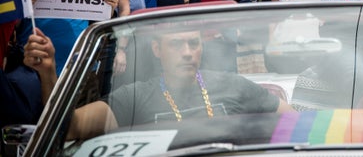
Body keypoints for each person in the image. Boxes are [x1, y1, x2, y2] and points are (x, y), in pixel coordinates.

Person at [23, 27, 294, 140]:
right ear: (157, 50)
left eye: (194, 43)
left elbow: (292, 120)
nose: (188, 52)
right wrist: (48, 74)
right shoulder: (135, 97)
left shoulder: (232, 84)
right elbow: (70, 128)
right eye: (176, 44)